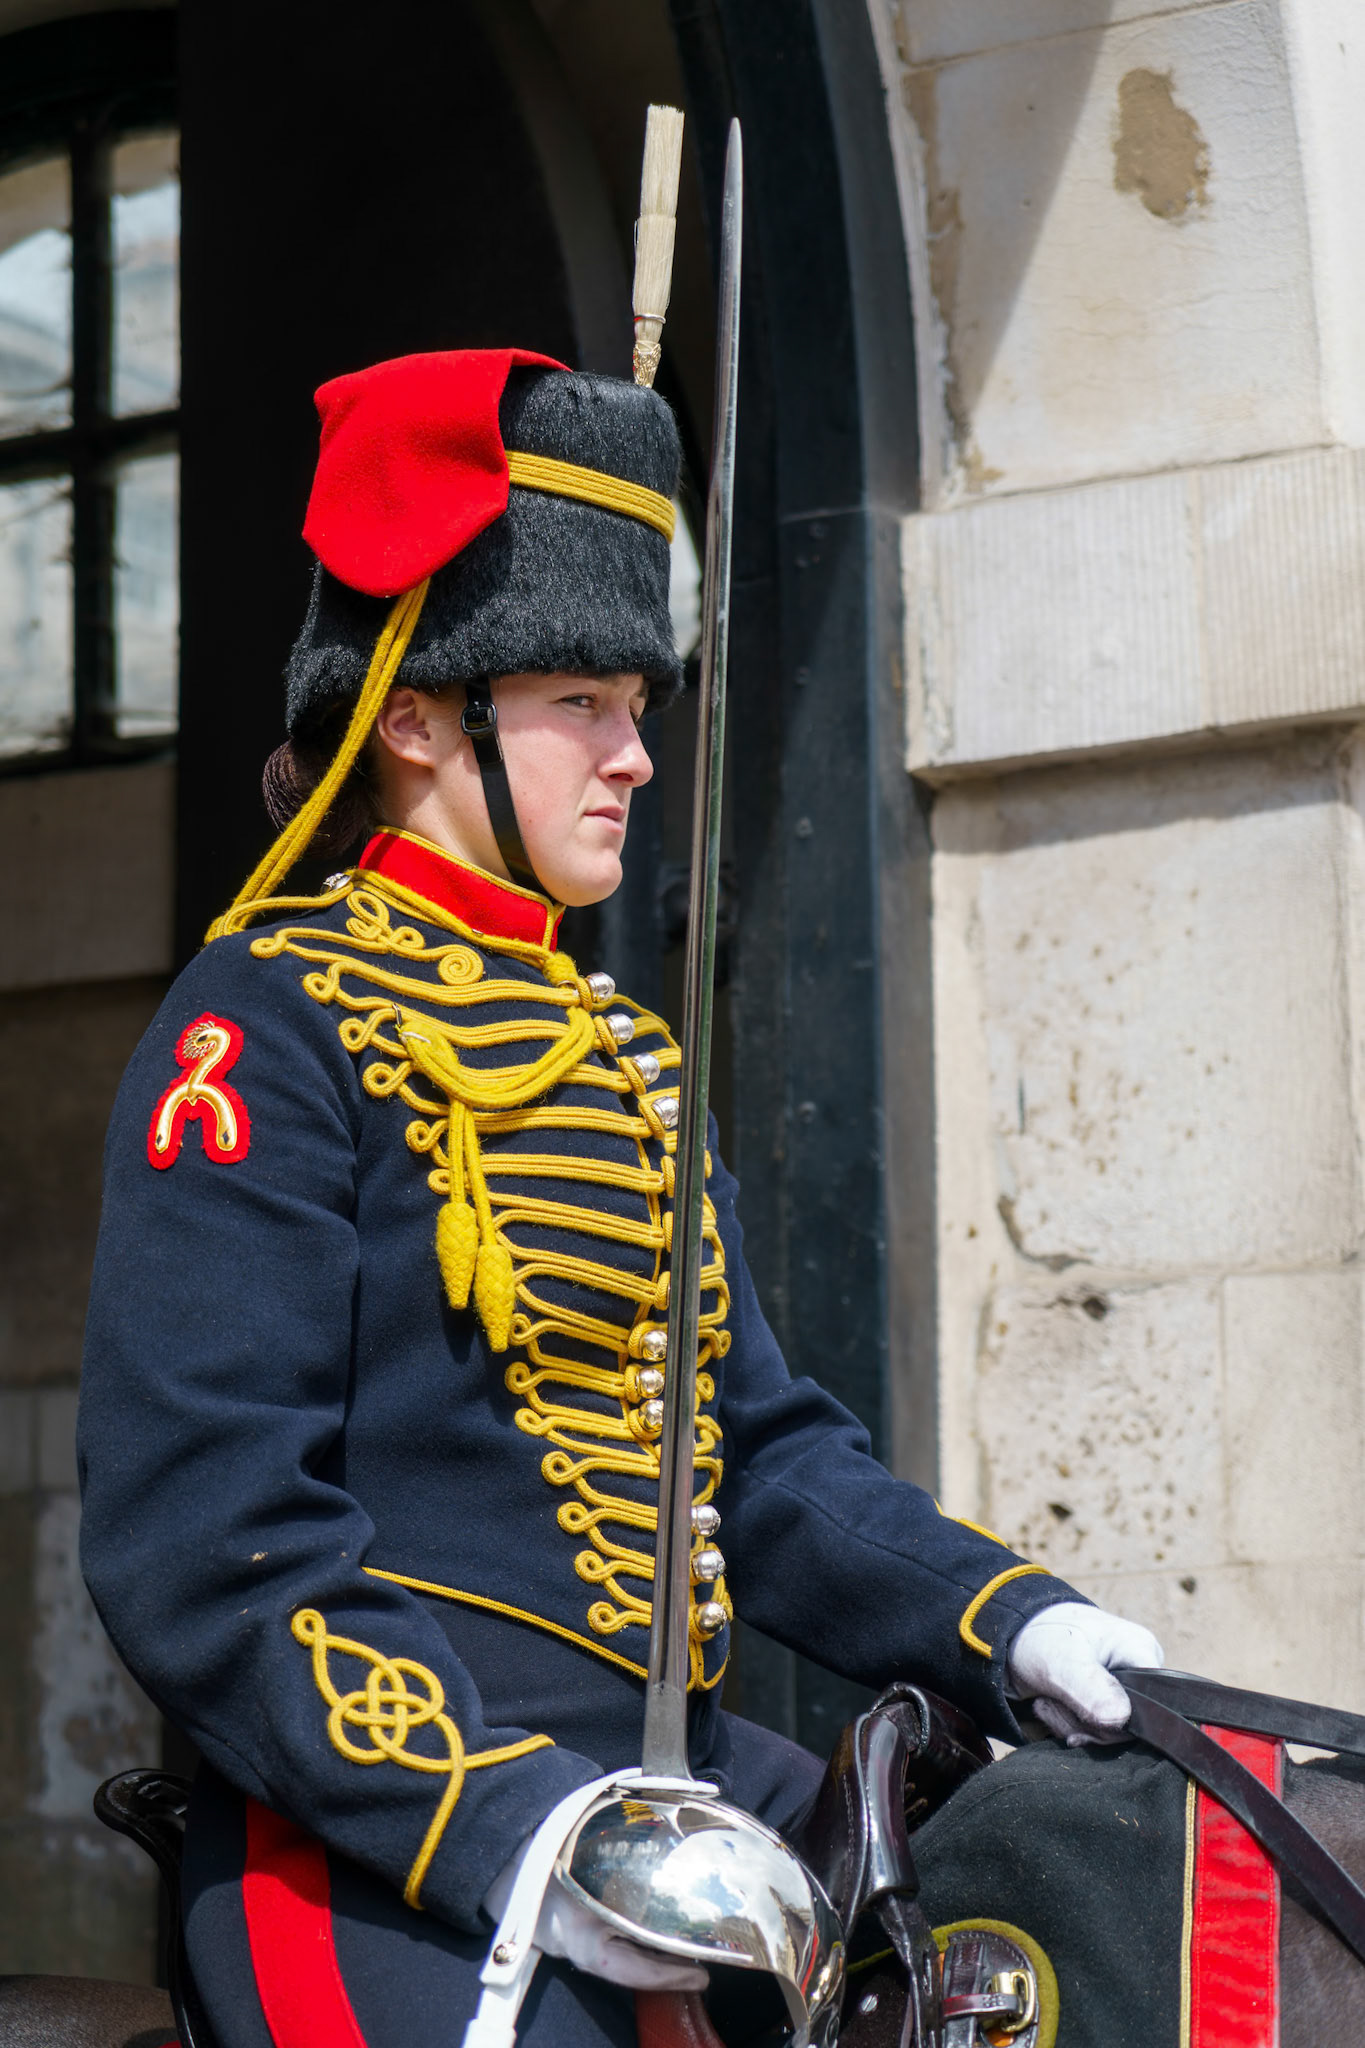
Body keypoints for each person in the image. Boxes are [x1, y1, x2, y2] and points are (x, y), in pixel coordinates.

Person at [77, 349, 1162, 2048]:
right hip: (389, 1841)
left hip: (693, 1789)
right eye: (581, 698)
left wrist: (1022, 1626)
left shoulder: (624, 1055)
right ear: (416, 718)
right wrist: (512, 1833)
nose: (632, 756)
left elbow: (771, 1466)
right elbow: (209, 1539)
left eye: (637, 707)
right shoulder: (260, 1029)